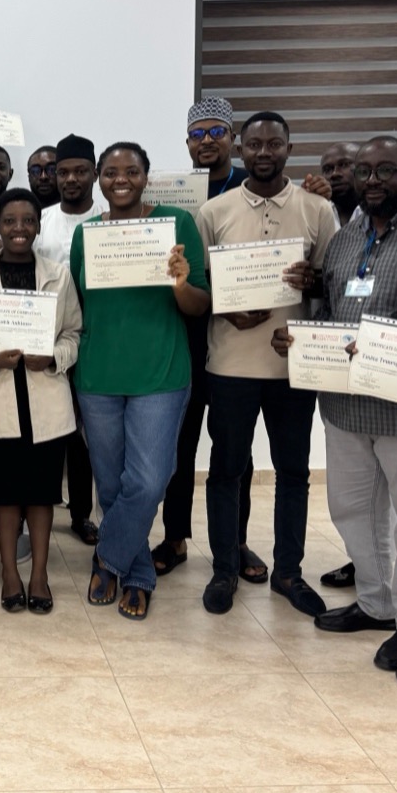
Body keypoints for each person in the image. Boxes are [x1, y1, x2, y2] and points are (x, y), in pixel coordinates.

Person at [270, 137, 397, 670]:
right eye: (364, 171)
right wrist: (302, 337)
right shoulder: (346, 239)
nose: (371, 180)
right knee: (351, 509)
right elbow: (333, 309)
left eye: (385, 170)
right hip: (344, 404)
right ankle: (374, 602)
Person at [195, 112, 338, 617]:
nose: (262, 152)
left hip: (292, 366)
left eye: (273, 144)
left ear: (288, 148)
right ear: (239, 148)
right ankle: (223, 570)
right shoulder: (214, 211)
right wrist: (224, 306)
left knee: (293, 473)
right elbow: (198, 285)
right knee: (226, 472)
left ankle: (288, 572)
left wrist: (312, 284)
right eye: (253, 144)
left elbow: (333, 284)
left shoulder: (317, 209)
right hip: (229, 365)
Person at [71, 142, 209, 620]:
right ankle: (138, 573)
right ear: (99, 179)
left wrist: (179, 282)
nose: (120, 179)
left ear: (147, 176)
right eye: (110, 172)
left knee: (149, 480)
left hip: (162, 373)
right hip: (98, 375)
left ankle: (107, 558)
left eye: (131, 170)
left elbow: (199, 305)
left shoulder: (177, 223)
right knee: (111, 485)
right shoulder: (85, 233)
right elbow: (80, 305)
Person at [0, 187, 81, 612]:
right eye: (10, 221)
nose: (19, 229)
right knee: (6, 495)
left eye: (28, 221)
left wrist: (55, 357)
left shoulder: (59, 276)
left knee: (41, 495)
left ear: (38, 226)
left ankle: (39, 574)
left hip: (45, 399)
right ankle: (10, 572)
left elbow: (73, 334)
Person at [154, 98, 260, 582]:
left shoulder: (251, 187)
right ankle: (174, 537)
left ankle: (235, 542)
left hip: (241, 336)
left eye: (217, 132)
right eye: (197, 134)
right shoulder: (172, 194)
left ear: (232, 137)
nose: (206, 141)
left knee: (234, 447)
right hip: (187, 333)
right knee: (179, 442)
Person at [32, 135, 102, 547]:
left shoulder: (111, 218)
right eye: (63, 172)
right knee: (50, 427)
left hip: (98, 337)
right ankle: (40, 505)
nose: (71, 179)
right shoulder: (42, 220)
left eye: (79, 171)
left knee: (86, 433)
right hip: (50, 339)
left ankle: (81, 514)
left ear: (93, 173)